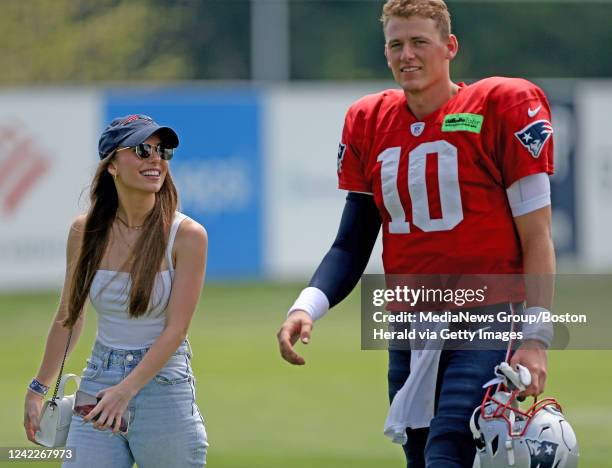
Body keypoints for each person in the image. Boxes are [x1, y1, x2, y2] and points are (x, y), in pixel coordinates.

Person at [276, 0, 556, 467]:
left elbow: (538, 236)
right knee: (421, 456)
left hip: (488, 314)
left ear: (450, 47)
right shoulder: (370, 121)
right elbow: (351, 243)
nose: (407, 54)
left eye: (419, 42)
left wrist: (536, 337)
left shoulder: (499, 105)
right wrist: (307, 306)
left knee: (451, 448)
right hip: (410, 323)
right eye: (396, 44)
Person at [23, 114, 209, 467]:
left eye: (161, 151)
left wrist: (126, 390)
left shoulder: (187, 235)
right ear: (112, 165)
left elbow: (176, 330)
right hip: (98, 379)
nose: (155, 159)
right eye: (142, 150)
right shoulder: (84, 232)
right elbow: (69, 315)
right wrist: (38, 388)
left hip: (163, 386)